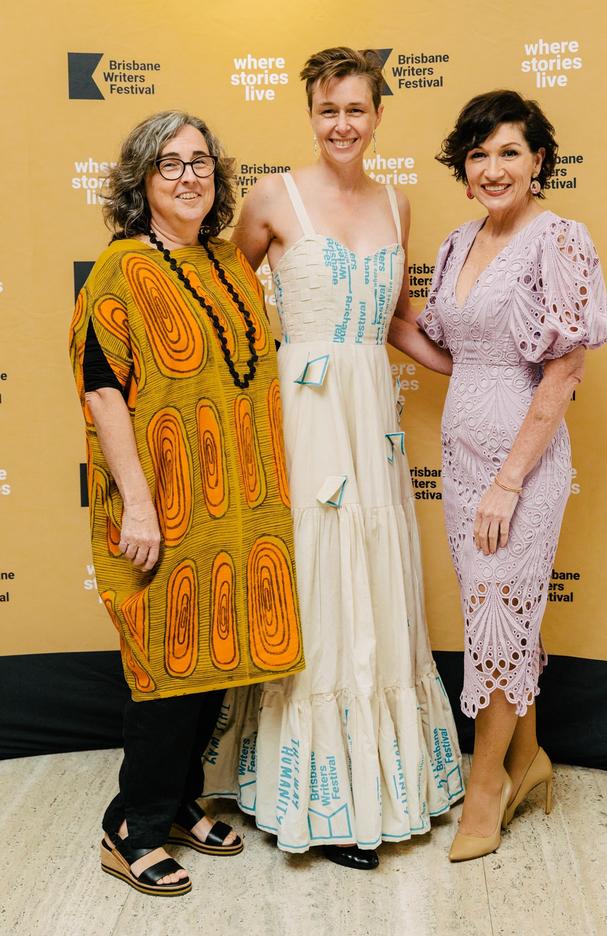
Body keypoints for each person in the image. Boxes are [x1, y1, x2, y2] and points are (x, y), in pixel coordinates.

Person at [203, 47, 464, 870]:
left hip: (371, 418)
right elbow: (228, 303)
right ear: (309, 116)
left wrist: (474, 366)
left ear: (379, 114)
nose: (342, 124)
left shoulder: (398, 202)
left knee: (375, 577)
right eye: (327, 110)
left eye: (356, 109)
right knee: (317, 576)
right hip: (306, 416)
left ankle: (375, 787)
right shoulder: (273, 197)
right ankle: (315, 797)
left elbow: (396, 321)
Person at [69, 111, 304, 896]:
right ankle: (128, 828)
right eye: (168, 164)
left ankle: (172, 808)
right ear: (141, 180)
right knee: (167, 668)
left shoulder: (227, 264)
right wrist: (138, 504)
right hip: (163, 505)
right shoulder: (119, 270)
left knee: (217, 662)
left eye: (200, 162)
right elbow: (103, 396)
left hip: (235, 508)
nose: (188, 176)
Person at [412, 90, 607, 861]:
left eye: (508, 152)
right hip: (460, 462)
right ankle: (529, 763)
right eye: (478, 154)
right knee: (498, 620)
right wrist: (370, 313)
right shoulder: (461, 242)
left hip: (519, 470)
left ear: (538, 162)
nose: (492, 168)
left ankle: (486, 784)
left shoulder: (559, 240)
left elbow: (563, 374)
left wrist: (508, 481)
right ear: (463, 169)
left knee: (498, 619)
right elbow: (452, 353)